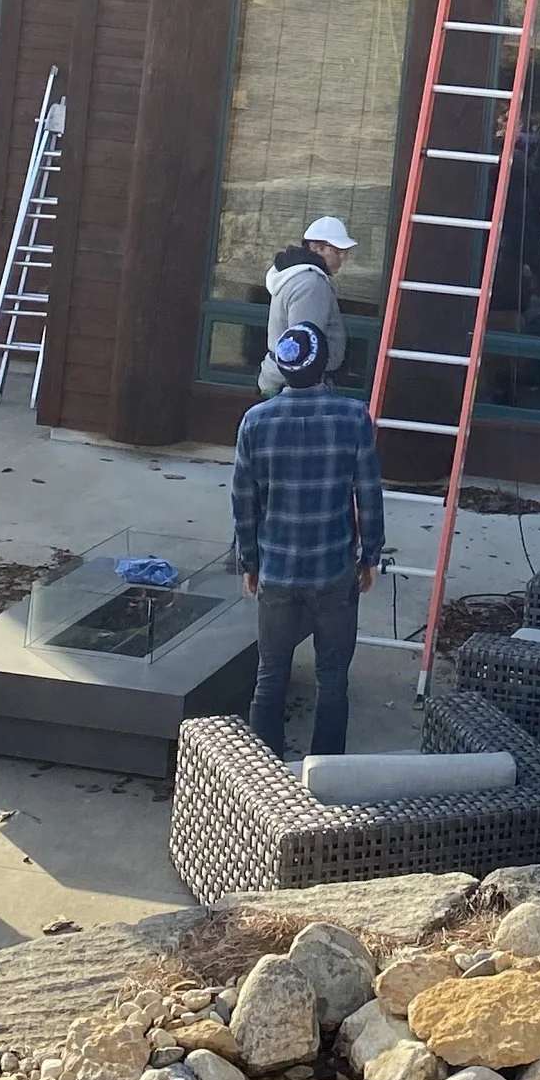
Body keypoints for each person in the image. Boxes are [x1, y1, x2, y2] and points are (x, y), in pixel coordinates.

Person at [231, 320, 384, 759]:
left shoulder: (255, 422)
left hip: (276, 570)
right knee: (333, 678)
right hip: (334, 570)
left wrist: (250, 563)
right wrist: (369, 555)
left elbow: (244, 501)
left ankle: (263, 780)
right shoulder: (353, 417)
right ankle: (325, 774)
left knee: (270, 674)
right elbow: (368, 494)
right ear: (324, 367)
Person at [258, 217, 355, 391]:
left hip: (279, 379)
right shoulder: (311, 284)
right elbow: (303, 347)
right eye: (338, 252)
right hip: (296, 385)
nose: (342, 259)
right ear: (319, 249)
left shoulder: (295, 275)